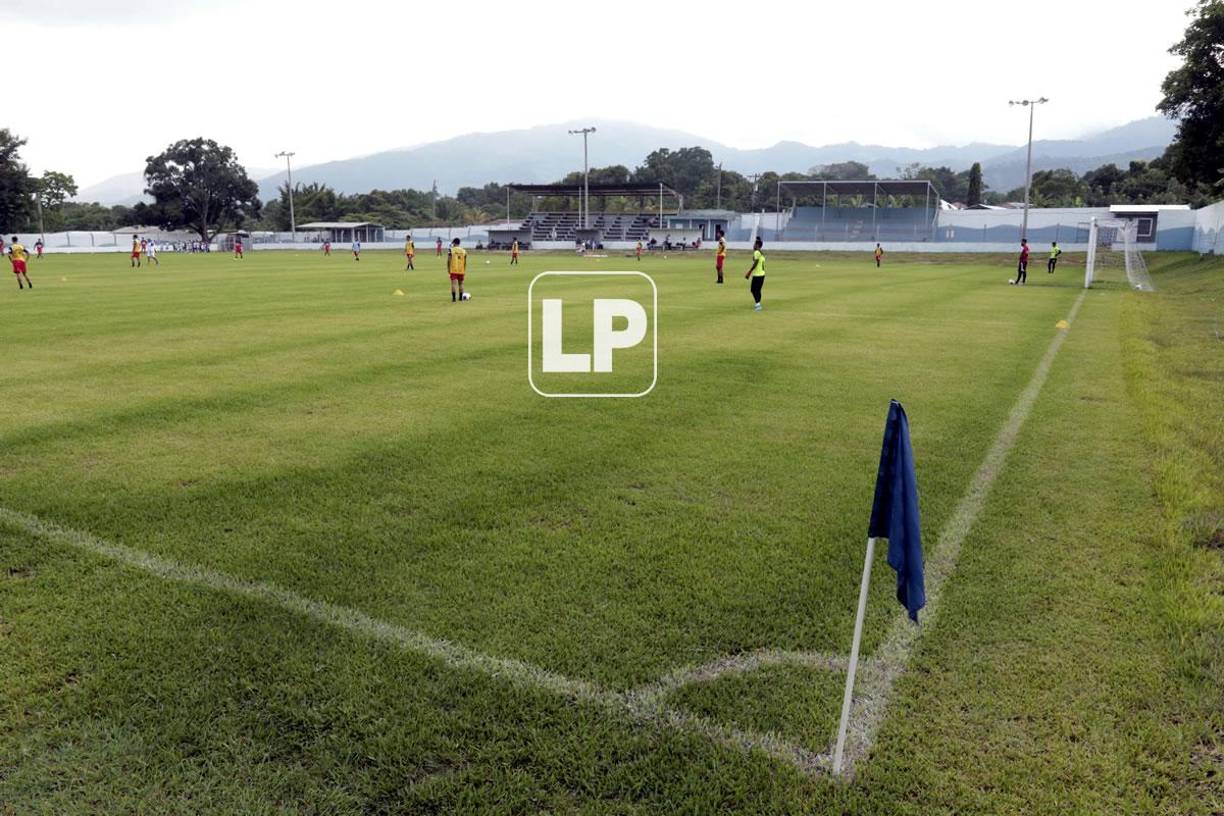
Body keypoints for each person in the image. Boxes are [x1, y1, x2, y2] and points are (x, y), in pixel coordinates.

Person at [744, 236, 766, 311]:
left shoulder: (756, 252)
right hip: (762, 275)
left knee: (753, 290)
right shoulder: (761, 253)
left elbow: (755, 263)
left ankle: (758, 305)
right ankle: (758, 304)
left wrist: (749, 272)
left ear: (757, 245)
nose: (753, 246)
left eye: (754, 244)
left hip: (757, 275)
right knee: (758, 290)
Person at [447, 237, 467, 302]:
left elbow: (449, 260)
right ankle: (460, 298)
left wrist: (448, 269)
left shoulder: (451, 250)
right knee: (461, 284)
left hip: (454, 269)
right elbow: (465, 262)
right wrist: (464, 269)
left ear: (454, 243)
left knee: (453, 284)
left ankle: (453, 299)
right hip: (461, 269)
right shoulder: (464, 251)